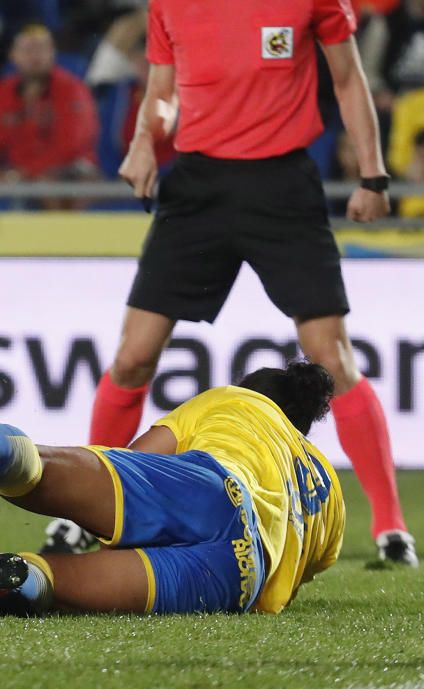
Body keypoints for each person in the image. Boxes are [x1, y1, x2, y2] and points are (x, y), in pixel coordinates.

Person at [87, 0, 417, 566]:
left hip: (283, 184)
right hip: (196, 186)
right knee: (134, 357)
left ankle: (391, 528)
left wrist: (372, 173)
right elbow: (164, 88)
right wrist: (146, 141)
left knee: (332, 360)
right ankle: (87, 513)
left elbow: (347, 77)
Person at [0, 361, 346, 615]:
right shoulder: (326, 480)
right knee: (57, 586)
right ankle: (9, 574)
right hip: (241, 574)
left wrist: (110, 504)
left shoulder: (234, 400)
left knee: (39, 469)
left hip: (212, 487)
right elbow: (307, 569)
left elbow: (139, 458)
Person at [0, 24, 99, 193]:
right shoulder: (1, 91)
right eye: (27, 50)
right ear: (13, 55)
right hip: (16, 173)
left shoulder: (72, 89)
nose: (35, 56)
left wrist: (23, 174)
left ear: (53, 53)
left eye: (42, 49)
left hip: (68, 171)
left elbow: (69, 147)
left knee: (49, 186)